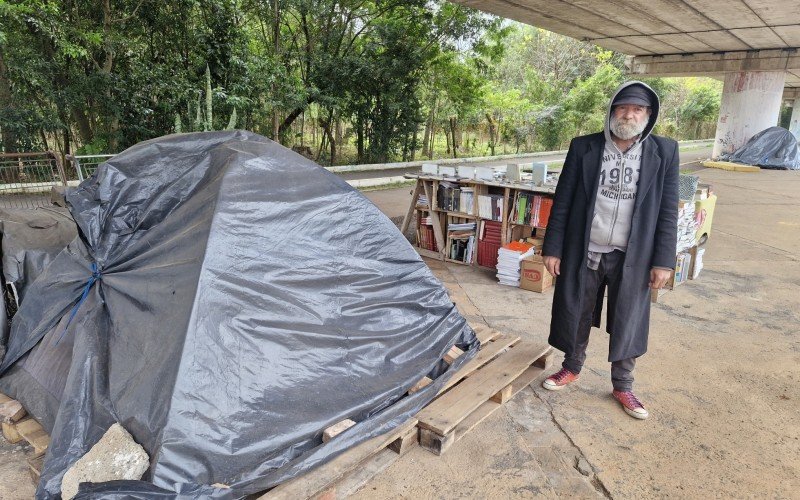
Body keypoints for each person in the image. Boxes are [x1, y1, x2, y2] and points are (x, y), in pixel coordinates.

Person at [540, 81, 678, 420]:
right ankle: (571, 367)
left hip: (635, 255)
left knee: (628, 316)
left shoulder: (665, 152)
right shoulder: (584, 147)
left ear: (649, 115)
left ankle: (623, 385)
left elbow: (668, 210)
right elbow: (563, 203)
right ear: (612, 110)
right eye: (623, 108)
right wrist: (553, 247)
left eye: (638, 109)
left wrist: (663, 260)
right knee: (577, 310)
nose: (629, 115)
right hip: (586, 248)